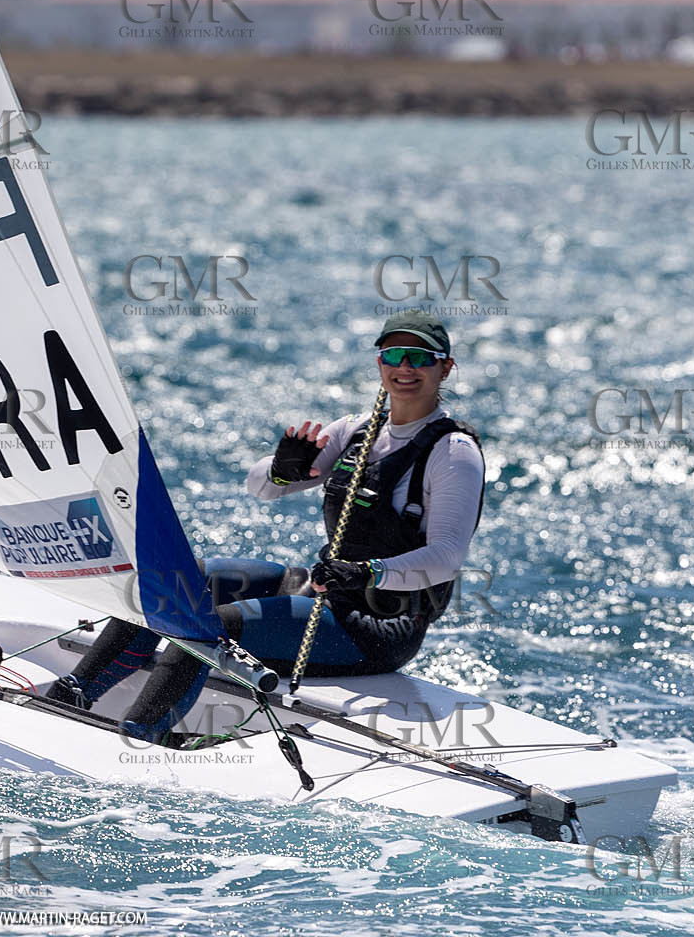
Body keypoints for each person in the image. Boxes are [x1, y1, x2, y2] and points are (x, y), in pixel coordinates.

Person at [46, 309, 485, 741]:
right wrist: (282, 470)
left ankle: (140, 733)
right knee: (174, 582)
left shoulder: (453, 453)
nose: (406, 368)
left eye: (422, 358)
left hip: (378, 626)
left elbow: (447, 557)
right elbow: (260, 487)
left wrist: (368, 572)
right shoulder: (355, 431)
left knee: (214, 624)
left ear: (445, 368)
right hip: (322, 589)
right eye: (394, 356)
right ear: (379, 365)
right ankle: (71, 697)